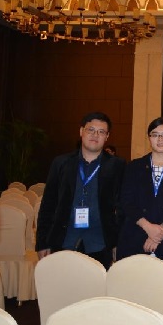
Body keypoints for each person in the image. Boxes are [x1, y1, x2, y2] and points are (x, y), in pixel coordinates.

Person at [36, 112, 126, 268]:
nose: (95, 135)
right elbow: (48, 205)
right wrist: (42, 242)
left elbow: (122, 208)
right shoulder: (61, 163)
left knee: (97, 284)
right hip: (63, 241)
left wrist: (117, 242)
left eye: (101, 132)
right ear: (81, 131)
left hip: (100, 243)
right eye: (91, 130)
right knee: (64, 283)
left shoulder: (117, 166)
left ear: (107, 137)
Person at [117, 118, 163, 275]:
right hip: (136, 235)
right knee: (133, 285)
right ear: (149, 138)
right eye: (155, 134)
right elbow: (127, 202)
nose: (160, 139)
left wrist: (157, 235)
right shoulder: (134, 167)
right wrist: (148, 227)